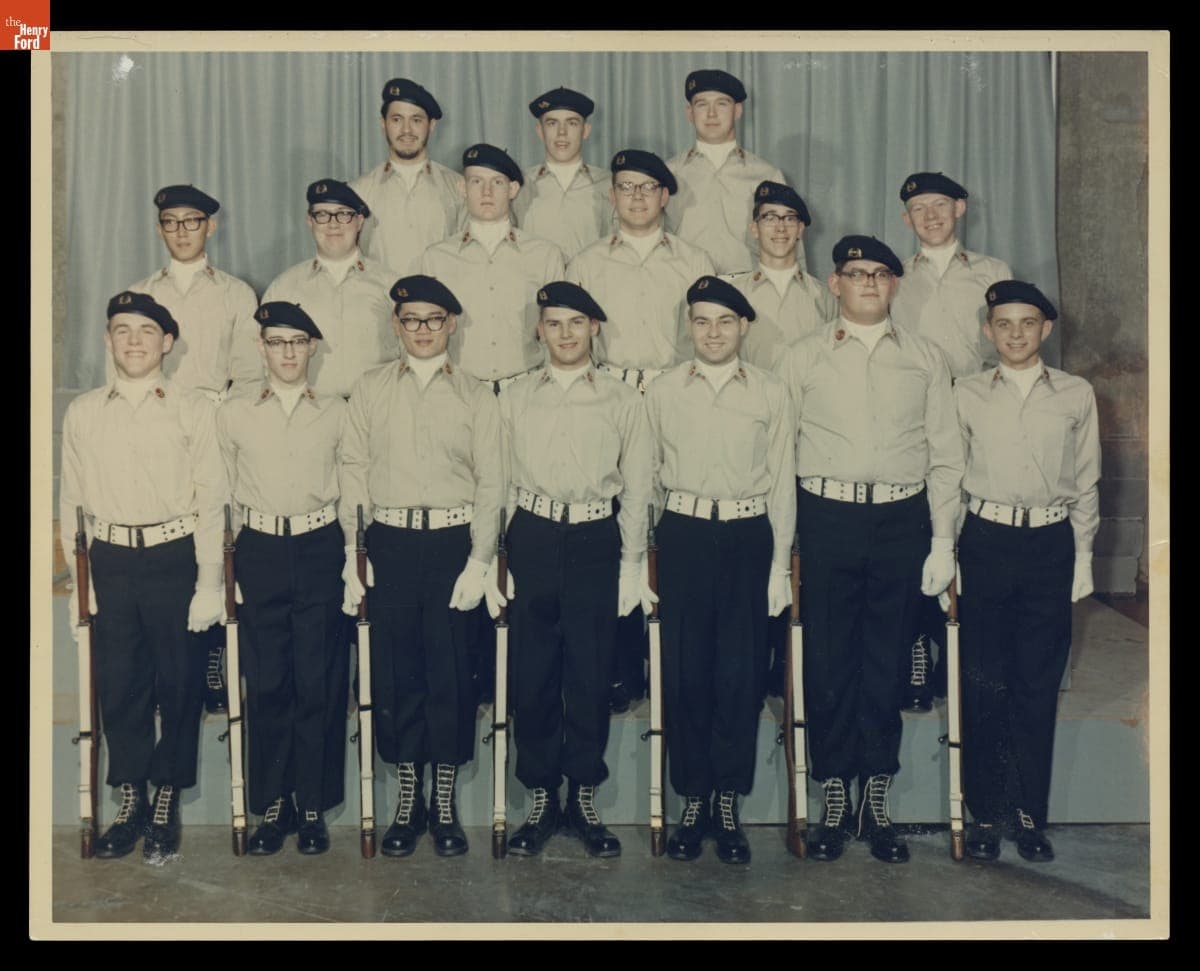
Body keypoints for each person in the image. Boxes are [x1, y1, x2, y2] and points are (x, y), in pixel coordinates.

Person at [775, 236, 964, 864]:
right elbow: (780, 456)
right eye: (856, 274)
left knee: (885, 661)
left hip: (901, 518)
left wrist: (942, 540)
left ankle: (875, 799)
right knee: (829, 662)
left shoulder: (926, 358)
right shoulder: (801, 357)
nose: (868, 284)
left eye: (880, 274)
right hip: (826, 516)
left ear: (895, 284)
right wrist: (784, 549)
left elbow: (945, 454)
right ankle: (833, 796)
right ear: (834, 284)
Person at [340, 274, 505, 858]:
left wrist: (480, 558)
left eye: (434, 319)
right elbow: (353, 467)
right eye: (411, 320)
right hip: (389, 542)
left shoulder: (477, 393)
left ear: (452, 324)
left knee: (451, 674)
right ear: (396, 326)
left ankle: (445, 801)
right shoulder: (370, 387)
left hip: (453, 545)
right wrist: (353, 552)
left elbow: (493, 481)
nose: (423, 330)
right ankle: (407, 800)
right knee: (396, 671)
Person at [60, 291, 226, 859]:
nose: (134, 340)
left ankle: (166, 798)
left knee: (178, 684)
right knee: (122, 684)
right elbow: (72, 504)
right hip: (110, 560)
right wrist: (76, 587)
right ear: (108, 340)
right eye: (122, 330)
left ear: (168, 343)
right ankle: (130, 797)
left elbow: (212, 499)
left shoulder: (195, 408)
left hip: (173, 556)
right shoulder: (83, 412)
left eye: (147, 331)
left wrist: (209, 582)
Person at [497, 281, 654, 858]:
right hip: (534, 534)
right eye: (554, 323)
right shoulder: (513, 399)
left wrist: (631, 562)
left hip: (595, 537)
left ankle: (584, 794)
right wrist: (497, 554)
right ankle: (541, 797)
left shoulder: (622, 400)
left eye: (577, 323)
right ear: (539, 330)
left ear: (595, 329)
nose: (565, 334)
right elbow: (499, 480)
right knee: (534, 674)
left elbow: (637, 488)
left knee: (589, 672)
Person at [646, 275, 796, 865]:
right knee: (686, 672)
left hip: (747, 535)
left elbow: (782, 481)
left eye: (726, 322)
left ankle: (728, 802)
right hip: (683, 534)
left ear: (744, 328)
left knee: (737, 674)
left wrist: (778, 564)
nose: (713, 332)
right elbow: (647, 478)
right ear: (689, 325)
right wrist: (644, 557)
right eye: (703, 321)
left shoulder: (770, 391)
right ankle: (692, 800)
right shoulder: (661, 391)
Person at [954, 280, 1099, 863]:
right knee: (984, 676)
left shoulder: (1076, 394)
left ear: (1047, 329)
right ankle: (984, 811)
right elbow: (950, 474)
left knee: (1036, 681)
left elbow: (1087, 478)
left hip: (1050, 542)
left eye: (1028, 323)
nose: (1016, 334)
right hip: (985, 540)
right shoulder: (965, 392)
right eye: (1004, 324)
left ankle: (1026, 813)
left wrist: (1084, 554)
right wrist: (948, 548)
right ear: (989, 331)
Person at [566, 148, 714, 710]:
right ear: (611, 196)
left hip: (675, 394)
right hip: (609, 395)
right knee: (613, 520)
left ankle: (668, 661)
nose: (636, 197)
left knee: (671, 520)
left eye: (648, 188)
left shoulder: (694, 259)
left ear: (665, 196)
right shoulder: (585, 262)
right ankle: (620, 663)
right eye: (625, 187)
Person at [216, 301, 350, 856]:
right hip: (261, 548)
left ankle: (313, 804)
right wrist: (225, 568)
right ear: (261, 348)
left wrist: (352, 561)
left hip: (320, 545)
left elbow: (354, 484)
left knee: (318, 680)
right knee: (269, 682)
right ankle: (273, 804)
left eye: (298, 342)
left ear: (313, 347)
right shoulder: (233, 411)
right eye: (277, 342)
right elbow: (220, 492)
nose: (288, 352)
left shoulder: (339, 410)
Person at [125, 184, 261, 714]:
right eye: (172, 222)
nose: (183, 231)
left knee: (224, 535)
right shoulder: (140, 292)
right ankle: (181, 652)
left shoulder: (235, 294)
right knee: (174, 546)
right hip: (160, 436)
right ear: (160, 229)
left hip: (217, 425)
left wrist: (221, 420)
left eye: (193, 221)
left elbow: (251, 375)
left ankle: (215, 657)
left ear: (212, 227)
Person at [888, 171, 1014, 711]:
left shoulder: (991, 273)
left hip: (977, 412)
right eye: (919, 208)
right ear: (906, 219)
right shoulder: (891, 276)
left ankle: (965, 660)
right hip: (912, 419)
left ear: (961, 209)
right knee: (922, 530)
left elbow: (1010, 344)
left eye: (941, 205)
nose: (931, 216)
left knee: (975, 531)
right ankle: (919, 651)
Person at [420, 143, 566, 387]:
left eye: (497, 182)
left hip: (527, 387)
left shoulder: (544, 255)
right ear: (462, 188)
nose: (486, 192)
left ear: (513, 189)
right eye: (476, 182)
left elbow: (560, 328)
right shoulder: (436, 258)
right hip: (460, 388)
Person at [262, 179, 395, 399]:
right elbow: (266, 363)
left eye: (343, 214)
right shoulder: (283, 287)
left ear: (360, 221)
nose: (333, 225)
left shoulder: (389, 285)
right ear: (309, 221)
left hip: (376, 412)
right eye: (322, 215)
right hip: (310, 415)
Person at [666, 69, 796, 275]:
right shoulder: (667, 174)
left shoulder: (767, 175)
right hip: (684, 287)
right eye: (701, 104)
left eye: (722, 104)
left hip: (748, 291)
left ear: (737, 111)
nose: (711, 114)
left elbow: (789, 244)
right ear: (689, 113)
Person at [351, 78, 464, 277]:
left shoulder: (458, 188)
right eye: (396, 119)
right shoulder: (358, 191)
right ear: (383, 124)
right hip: (380, 305)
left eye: (416, 120)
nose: (406, 130)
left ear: (432, 125)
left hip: (437, 306)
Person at [731, 181, 837, 372]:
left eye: (789, 218)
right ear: (755, 228)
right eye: (770, 218)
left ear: (800, 229)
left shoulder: (825, 297)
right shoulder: (734, 294)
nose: (781, 228)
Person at [512, 87, 612, 260]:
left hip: (589, 285)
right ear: (540, 131)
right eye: (552, 123)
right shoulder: (518, 185)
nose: (562, 132)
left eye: (572, 123)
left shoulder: (609, 183)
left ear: (586, 130)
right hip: (535, 284)